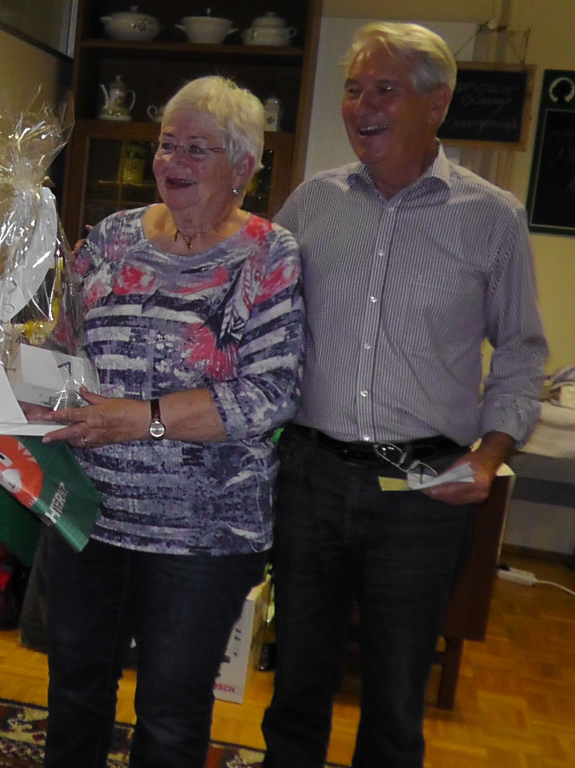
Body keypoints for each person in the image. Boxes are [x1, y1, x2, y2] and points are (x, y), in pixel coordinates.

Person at [261, 22, 548, 768]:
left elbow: (521, 352)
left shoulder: (491, 217)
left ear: (437, 103)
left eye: (384, 89)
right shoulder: (312, 203)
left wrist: (488, 456)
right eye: (353, 89)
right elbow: (252, 305)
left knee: (393, 696)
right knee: (295, 681)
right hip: (311, 472)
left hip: (423, 481)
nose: (362, 107)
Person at [38, 75, 304, 768]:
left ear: (242, 166)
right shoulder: (112, 236)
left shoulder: (269, 254)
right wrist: (19, 381)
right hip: (87, 513)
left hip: (202, 534)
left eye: (196, 148)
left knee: (170, 714)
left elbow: (271, 394)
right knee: (74, 692)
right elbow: (63, 345)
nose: (172, 160)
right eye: (165, 144)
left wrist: (142, 420)